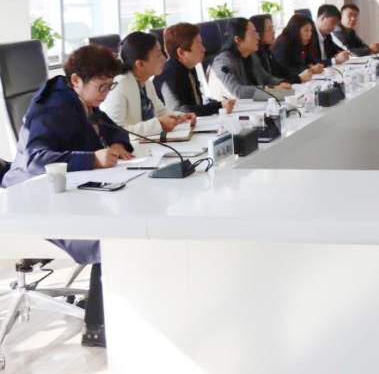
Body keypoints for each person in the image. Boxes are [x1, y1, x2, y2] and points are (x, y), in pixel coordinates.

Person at [1, 44, 136, 347]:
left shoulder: (78, 99)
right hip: (29, 200)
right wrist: (91, 160)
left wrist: (117, 142)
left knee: (121, 221)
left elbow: (106, 125)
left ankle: (109, 310)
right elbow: (36, 160)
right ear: (76, 80)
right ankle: (98, 326)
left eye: (110, 86)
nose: (106, 93)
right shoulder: (53, 105)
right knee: (110, 233)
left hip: (59, 193)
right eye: (102, 86)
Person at [101, 32, 193, 138]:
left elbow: (160, 111)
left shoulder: (145, 82)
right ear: (140, 64)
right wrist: (159, 125)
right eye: (158, 55)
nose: (164, 58)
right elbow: (115, 131)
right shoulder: (119, 85)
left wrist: (181, 117)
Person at [156, 23, 235, 117]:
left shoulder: (189, 66)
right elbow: (179, 111)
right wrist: (219, 106)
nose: (204, 49)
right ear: (181, 53)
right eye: (199, 45)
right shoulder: (169, 74)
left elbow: (197, 103)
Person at [207, 17, 291, 101]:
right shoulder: (222, 62)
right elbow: (238, 92)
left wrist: (281, 83)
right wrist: (273, 90)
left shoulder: (251, 56)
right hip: (229, 107)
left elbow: (266, 78)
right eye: (254, 34)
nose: (258, 38)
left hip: (251, 104)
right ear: (238, 40)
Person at [271, 13, 324, 84]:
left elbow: (313, 59)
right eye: (306, 30)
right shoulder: (282, 44)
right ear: (295, 30)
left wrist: (315, 66)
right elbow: (287, 71)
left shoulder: (300, 42)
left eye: (311, 31)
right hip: (283, 85)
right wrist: (310, 69)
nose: (309, 34)